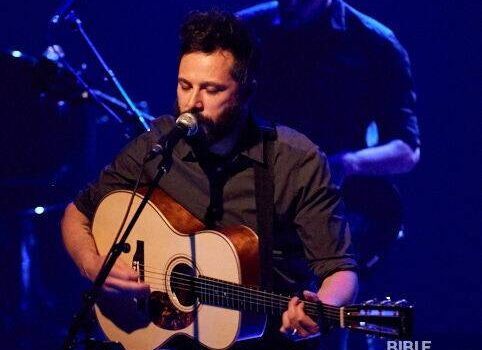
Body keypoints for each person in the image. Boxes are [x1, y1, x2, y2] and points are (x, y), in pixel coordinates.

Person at [61, 10, 357, 349]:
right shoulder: (157, 145)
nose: (192, 103)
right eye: (185, 86)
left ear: (246, 93)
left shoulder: (295, 161)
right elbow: (77, 213)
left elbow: (340, 270)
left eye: (212, 89)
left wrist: (323, 309)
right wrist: (92, 265)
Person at [236, 0, 421, 186]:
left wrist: (346, 164)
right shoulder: (241, 32)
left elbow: (405, 150)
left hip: (340, 203)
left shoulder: (377, 45)